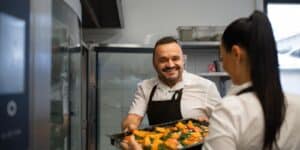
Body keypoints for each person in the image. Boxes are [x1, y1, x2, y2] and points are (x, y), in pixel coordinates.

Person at [123, 11, 300, 150]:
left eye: (222, 57)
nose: (223, 63)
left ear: (236, 54)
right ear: (154, 62)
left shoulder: (229, 108)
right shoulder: (296, 105)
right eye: (163, 60)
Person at [121, 36, 221, 132]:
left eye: (175, 58)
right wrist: (129, 126)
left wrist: (209, 126)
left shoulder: (206, 87)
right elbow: (134, 117)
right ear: (154, 63)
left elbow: (224, 124)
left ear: (183, 60)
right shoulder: (145, 87)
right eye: (163, 60)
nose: (170, 65)